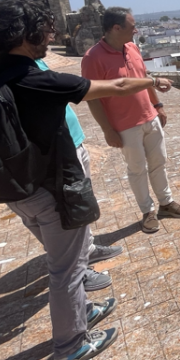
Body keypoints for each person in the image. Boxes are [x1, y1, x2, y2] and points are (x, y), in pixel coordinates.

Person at [0, 0, 174, 360]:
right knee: (66, 270)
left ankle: (83, 311)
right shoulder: (34, 78)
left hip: (15, 191)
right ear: (25, 36)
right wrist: (153, 81)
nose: (49, 37)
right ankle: (71, 346)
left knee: (69, 258)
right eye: (43, 32)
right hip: (49, 188)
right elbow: (114, 86)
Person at [82, 7, 180, 233]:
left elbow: (143, 78)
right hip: (125, 125)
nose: (136, 30)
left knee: (159, 162)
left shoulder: (132, 48)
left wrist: (157, 105)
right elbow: (92, 99)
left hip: (149, 117)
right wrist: (107, 130)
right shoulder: (93, 58)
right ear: (116, 28)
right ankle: (147, 211)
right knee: (137, 169)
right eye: (132, 26)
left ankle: (166, 203)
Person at [35, 58, 123, 291]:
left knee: (79, 209)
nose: (52, 35)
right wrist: (151, 81)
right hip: (57, 155)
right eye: (47, 29)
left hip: (71, 144)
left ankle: (88, 251)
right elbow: (97, 89)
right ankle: (78, 271)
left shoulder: (36, 63)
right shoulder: (24, 74)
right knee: (67, 214)